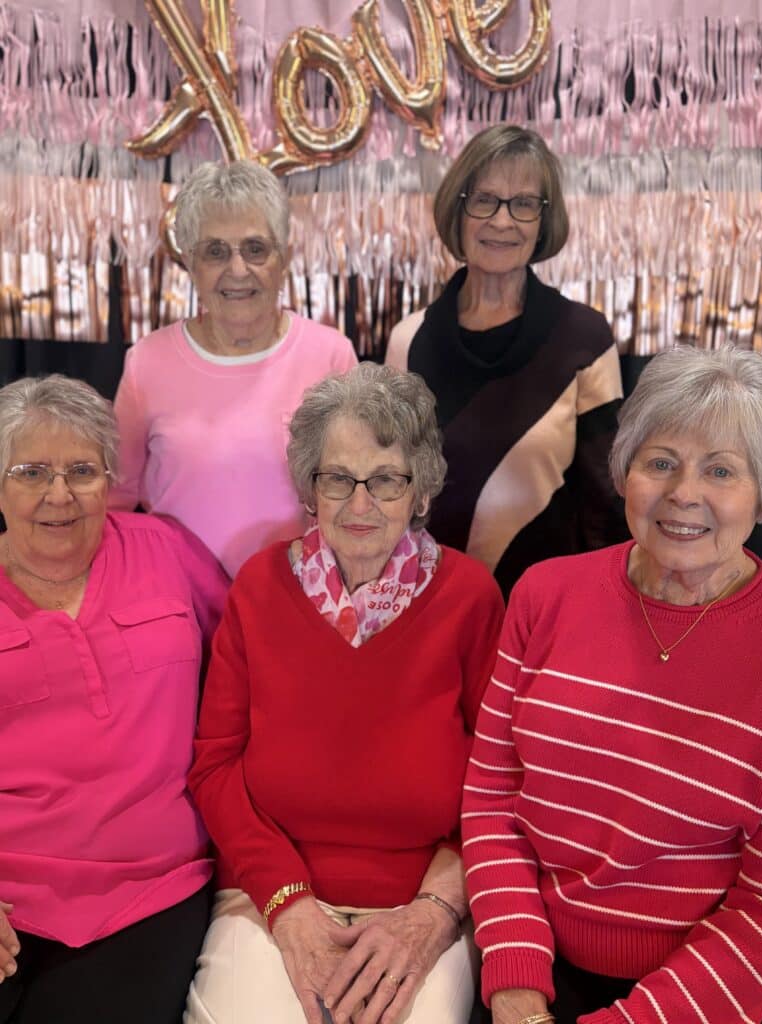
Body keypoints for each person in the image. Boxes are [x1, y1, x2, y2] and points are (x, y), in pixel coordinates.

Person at [185, 363, 505, 1024]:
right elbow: (214, 765)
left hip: (421, 901)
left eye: (385, 479)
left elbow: (500, 783)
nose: (361, 506)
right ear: (310, 485)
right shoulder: (259, 587)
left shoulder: (471, 598)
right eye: (338, 479)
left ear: (419, 490)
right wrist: (287, 903)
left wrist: (435, 912)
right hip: (271, 894)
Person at [462, 345, 762, 1024]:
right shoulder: (545, 594)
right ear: (623, 472)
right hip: (529, 963)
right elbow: (490, 800)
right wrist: (515, 986)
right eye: (660, 462)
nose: (683, 493)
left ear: (761, 494)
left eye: (720, 470)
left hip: (705, 995)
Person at [0, 375, 229, 1024]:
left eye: (82, 470)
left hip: (149, 889)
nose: (58, 495)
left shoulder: (165, 551)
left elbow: (257, 660)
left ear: (112, 480)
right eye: (30, 471)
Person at [387, 125, 627, 597]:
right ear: (457, 209)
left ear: (544, 220)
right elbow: (394, 490)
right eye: (484, 200)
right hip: (430, 604)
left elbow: (607, 498)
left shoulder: (585, 337)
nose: (502, 221)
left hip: (547, 605)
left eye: (523, 204)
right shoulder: (408, 341)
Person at [110, 159, 357, 577]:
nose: (238, 270)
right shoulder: (147, 363)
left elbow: (358, 493)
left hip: (301, 601)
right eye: (215, 251)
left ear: (285, 257)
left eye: (255, 248)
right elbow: (113, 502)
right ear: (190, 263)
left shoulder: (331, 356)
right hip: (178, 601)